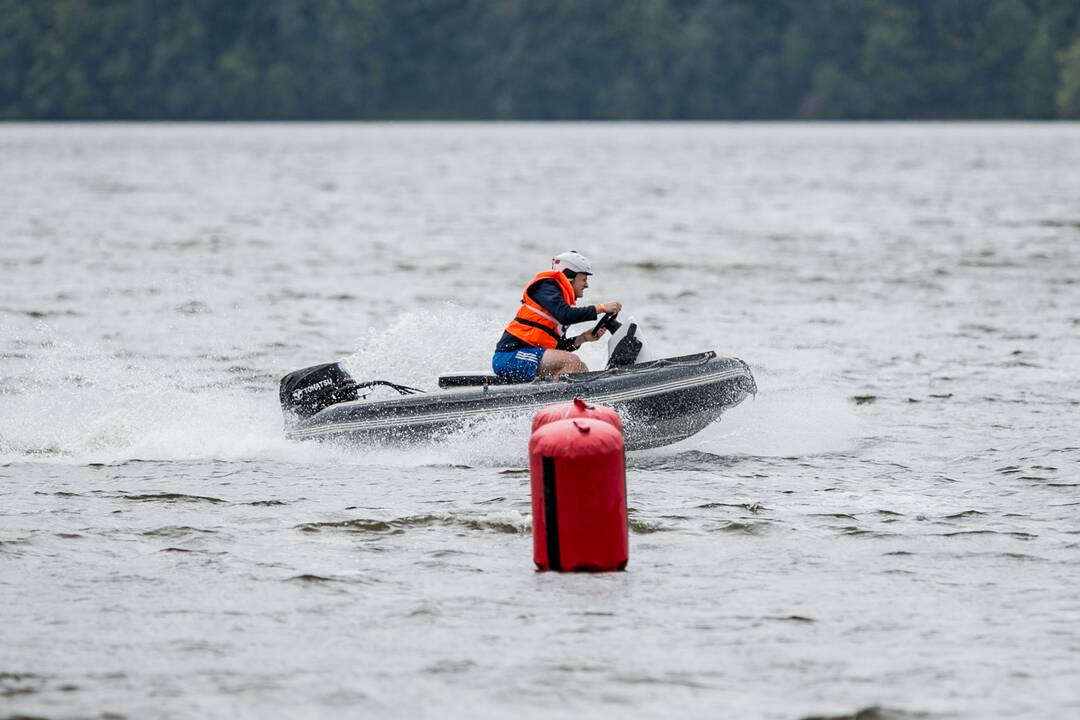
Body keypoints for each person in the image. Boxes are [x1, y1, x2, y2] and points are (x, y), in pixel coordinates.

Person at [492, 251, 622, 380]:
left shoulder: (557, 303)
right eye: (583, 279)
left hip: (529, 355)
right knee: (571, 361)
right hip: (509, 356)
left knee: (581, 368)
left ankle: (568, 397)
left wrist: (583, 338)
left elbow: (557, 348)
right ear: (569, 276)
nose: (586, 285)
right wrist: (602, 308)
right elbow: (565, 315)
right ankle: (555, 397)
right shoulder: (546, 287)